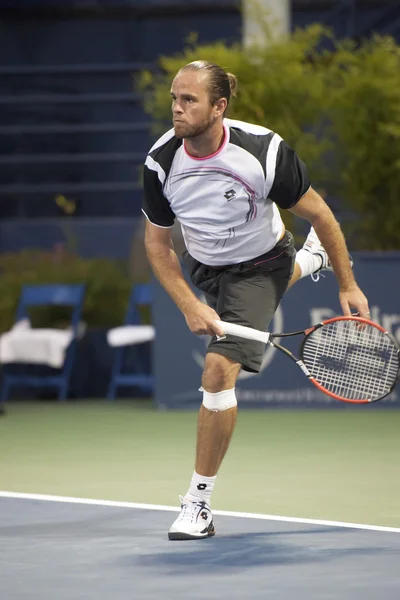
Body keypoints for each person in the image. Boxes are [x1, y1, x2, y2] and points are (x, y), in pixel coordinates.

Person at [142, 60, 369, 540]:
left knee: (216, 373)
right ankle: (309, 264)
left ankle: (198, 503)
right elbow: (158, 244)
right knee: (237, 300)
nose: (177, 110)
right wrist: (189, 303)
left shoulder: (263, 153)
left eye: (189, 101)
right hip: (202, 259)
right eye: (174, 99)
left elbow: (323, 216)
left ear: (219, 107)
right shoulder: (161, 162)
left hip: (260, 262)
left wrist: (348, 284)